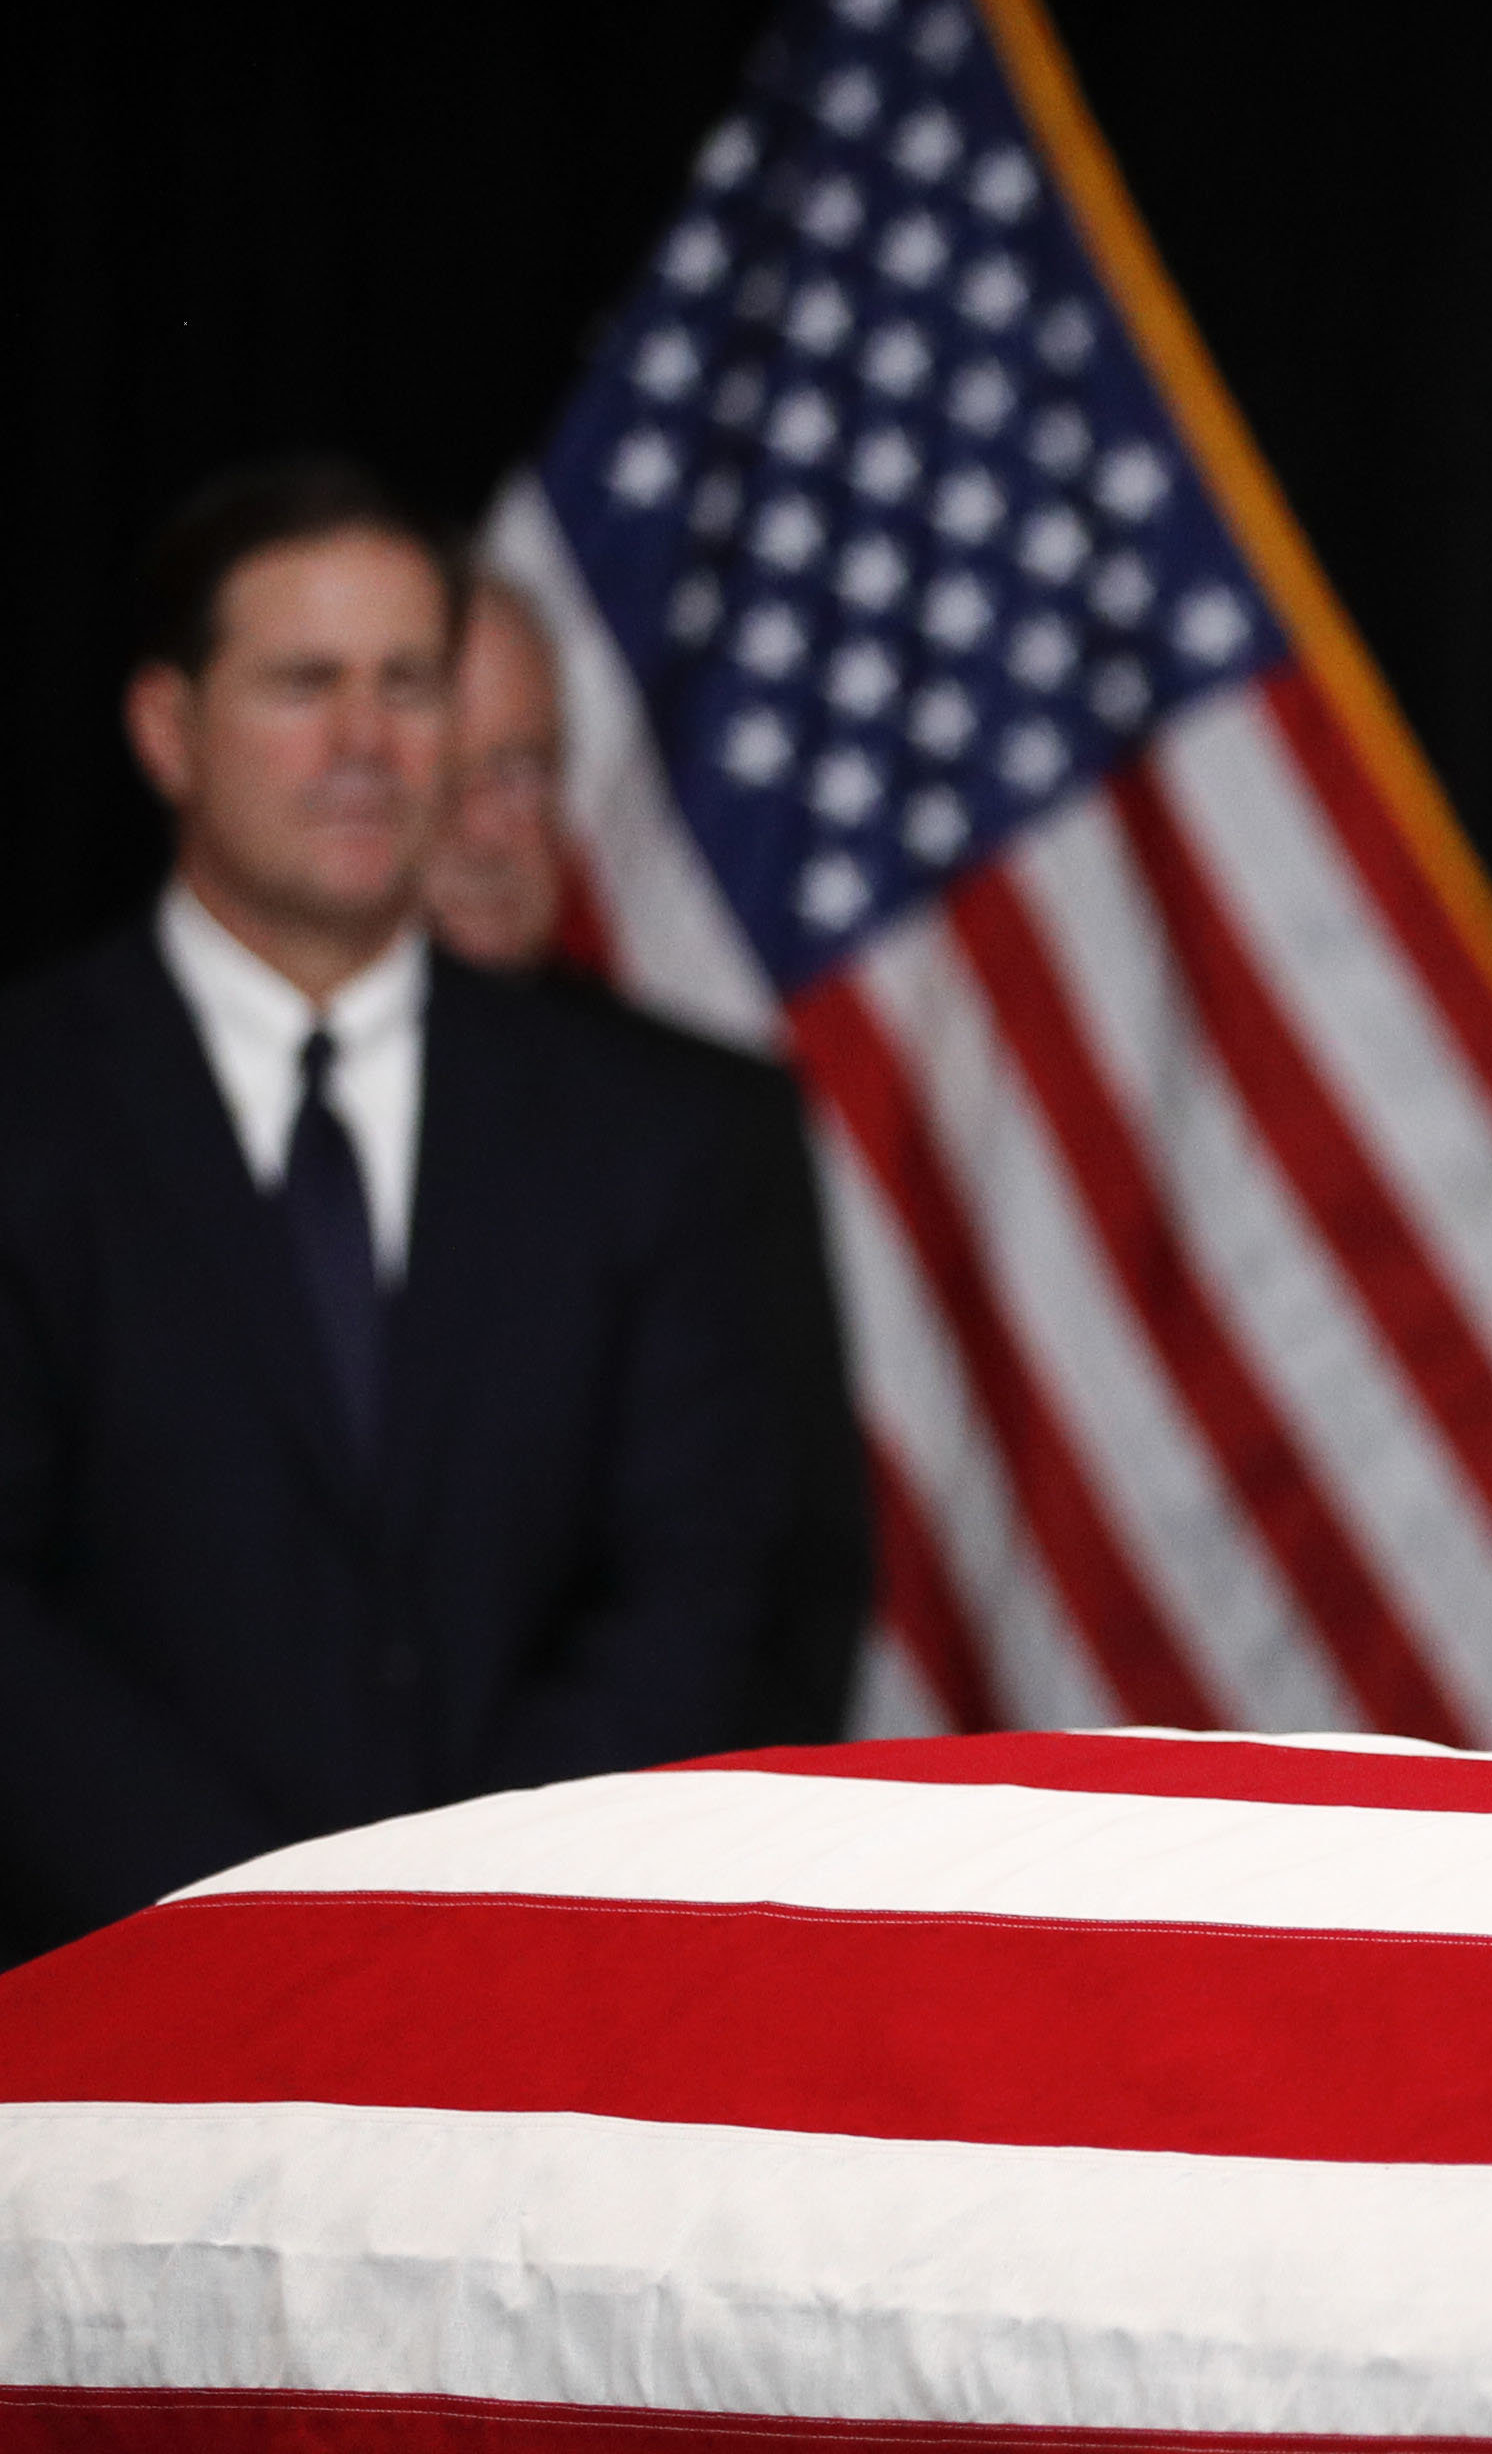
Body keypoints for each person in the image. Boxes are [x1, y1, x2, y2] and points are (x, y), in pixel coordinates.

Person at [0, 458, 792, 1963]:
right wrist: (246, 1931)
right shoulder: (30, 1105)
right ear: (170, 729)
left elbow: (694, 1585)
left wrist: (449, 1919)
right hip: (97, 2016)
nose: (365, 744)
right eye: (306, 684)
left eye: (409, 686)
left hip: (530, 1995)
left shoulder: (649, 1131)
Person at [433, 567, 872, 1745]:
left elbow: (782, 1588)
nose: (488, 828)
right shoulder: (145, 1107)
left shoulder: (707, 1128)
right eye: (444, 773)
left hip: (603, 1864)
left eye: (522, 770)